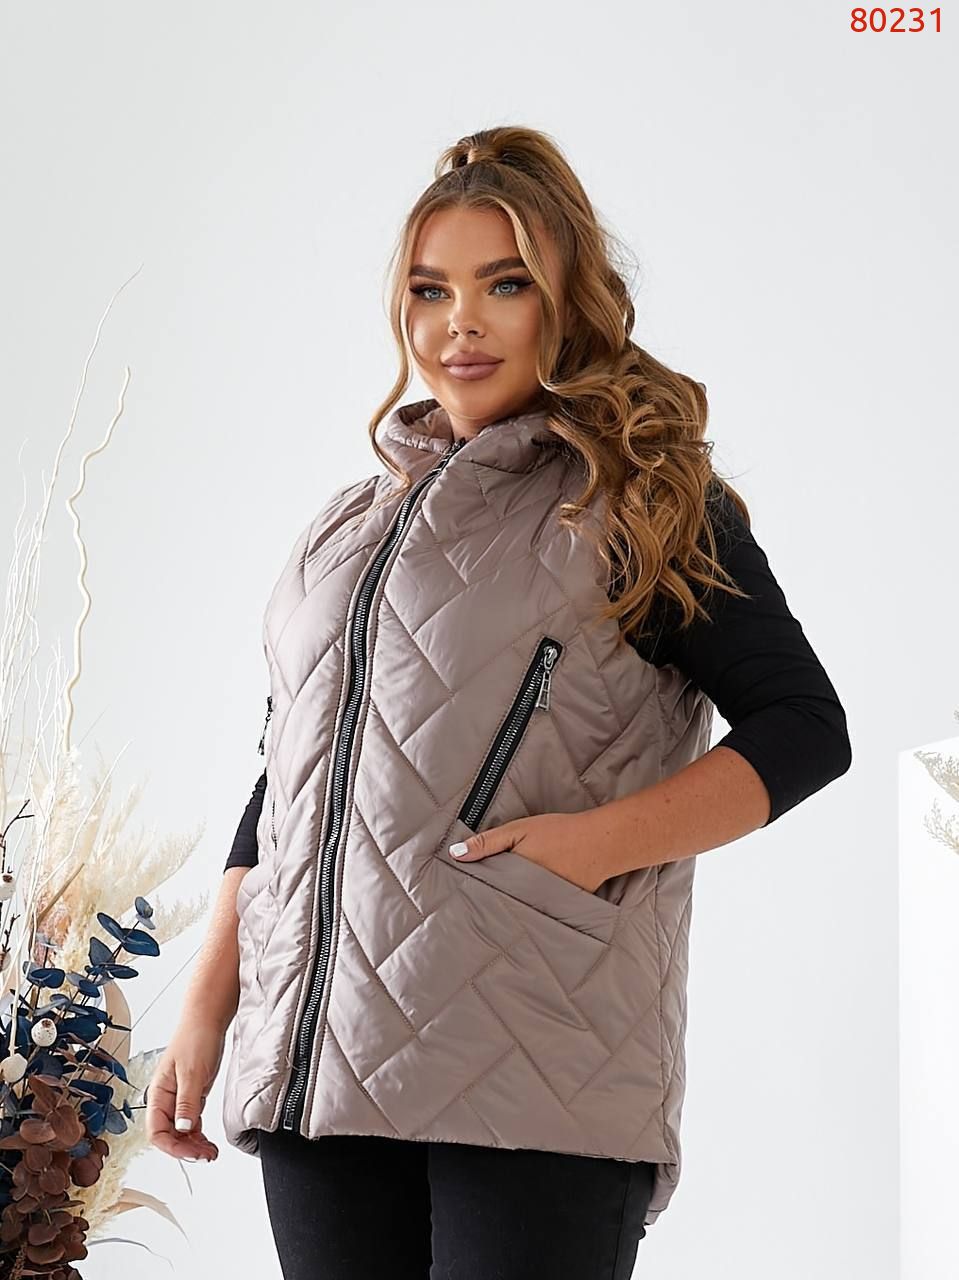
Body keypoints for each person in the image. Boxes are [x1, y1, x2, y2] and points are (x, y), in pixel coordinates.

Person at [146, 126, 852, 1279]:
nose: (459, 323)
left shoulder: (644, 501)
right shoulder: (343, 530)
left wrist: (589, 845)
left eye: (503, 284)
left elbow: (803, 726)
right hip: (319, 1075)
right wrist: (207, 1004)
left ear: (565, 301)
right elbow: (288, 774)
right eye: (430, 290)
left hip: (538, 1066)